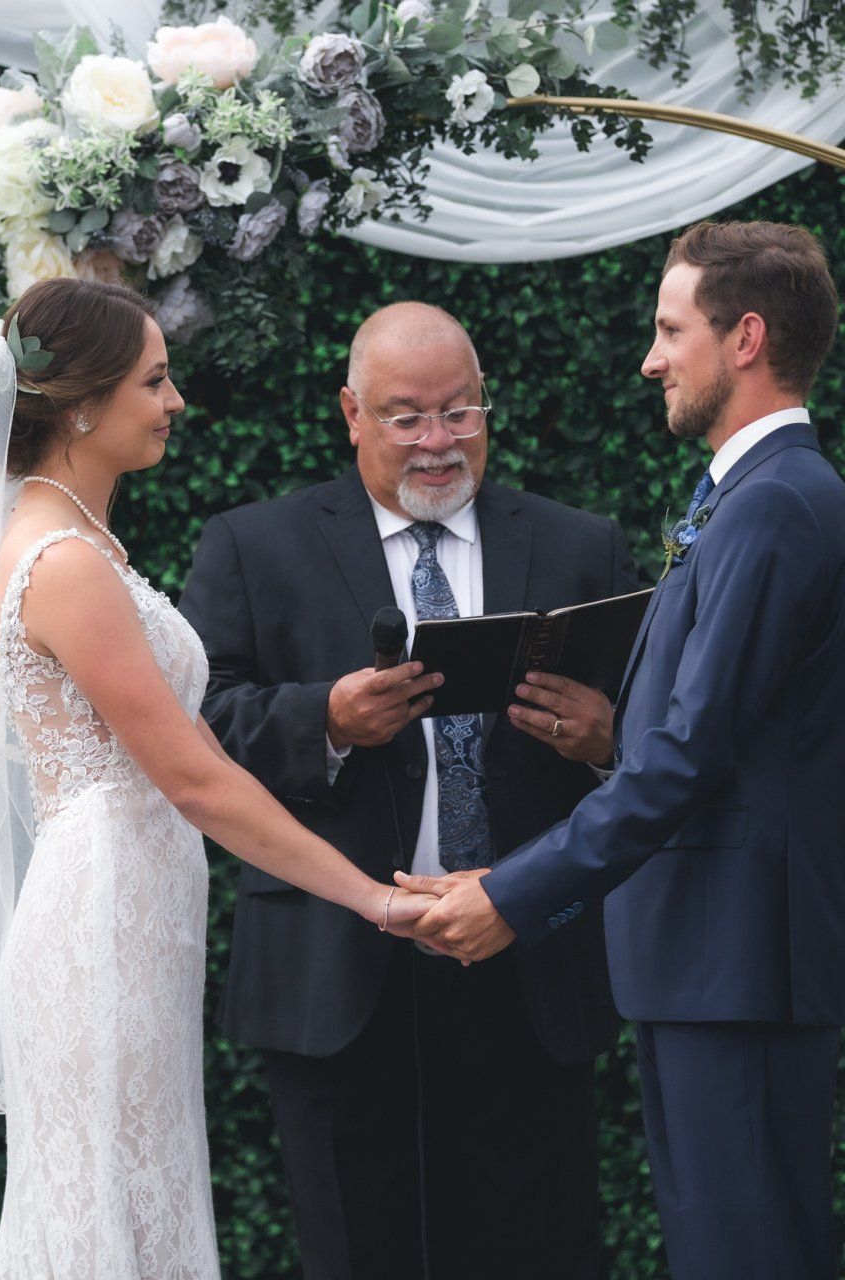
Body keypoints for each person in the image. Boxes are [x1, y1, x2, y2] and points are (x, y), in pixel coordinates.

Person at [0, 277, 434, 1280]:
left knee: (134, 1186)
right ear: (81, 403)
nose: (176, 402)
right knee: (102, 1207)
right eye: (155, 380)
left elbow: (199, 761)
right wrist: (376, 900)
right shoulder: (65, 563)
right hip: (104, 915)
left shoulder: (80, 543)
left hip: (133, 905)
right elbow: (197, 780)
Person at [404, 222, 845, 1280]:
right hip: (709, 963)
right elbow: (708, 749)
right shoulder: (752, 499)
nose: (650, 358)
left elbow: (682, 765)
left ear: (744, 336)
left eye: (670, 330)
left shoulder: (775, 509)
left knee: (746, 1254)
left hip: (739, 966)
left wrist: (514, 894)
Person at [178, 302, 638, 1280]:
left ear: (486, 408)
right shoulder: (254, 546)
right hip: (336, 969)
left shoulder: (579, 547)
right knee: (358, 1250)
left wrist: (608, 737)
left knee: (540, 1248)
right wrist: (327, 722)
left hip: (527, 958)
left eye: (458, 412)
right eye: (405, 416)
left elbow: (661, 740)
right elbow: (194, 728)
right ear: (350, 413)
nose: (437, 442)